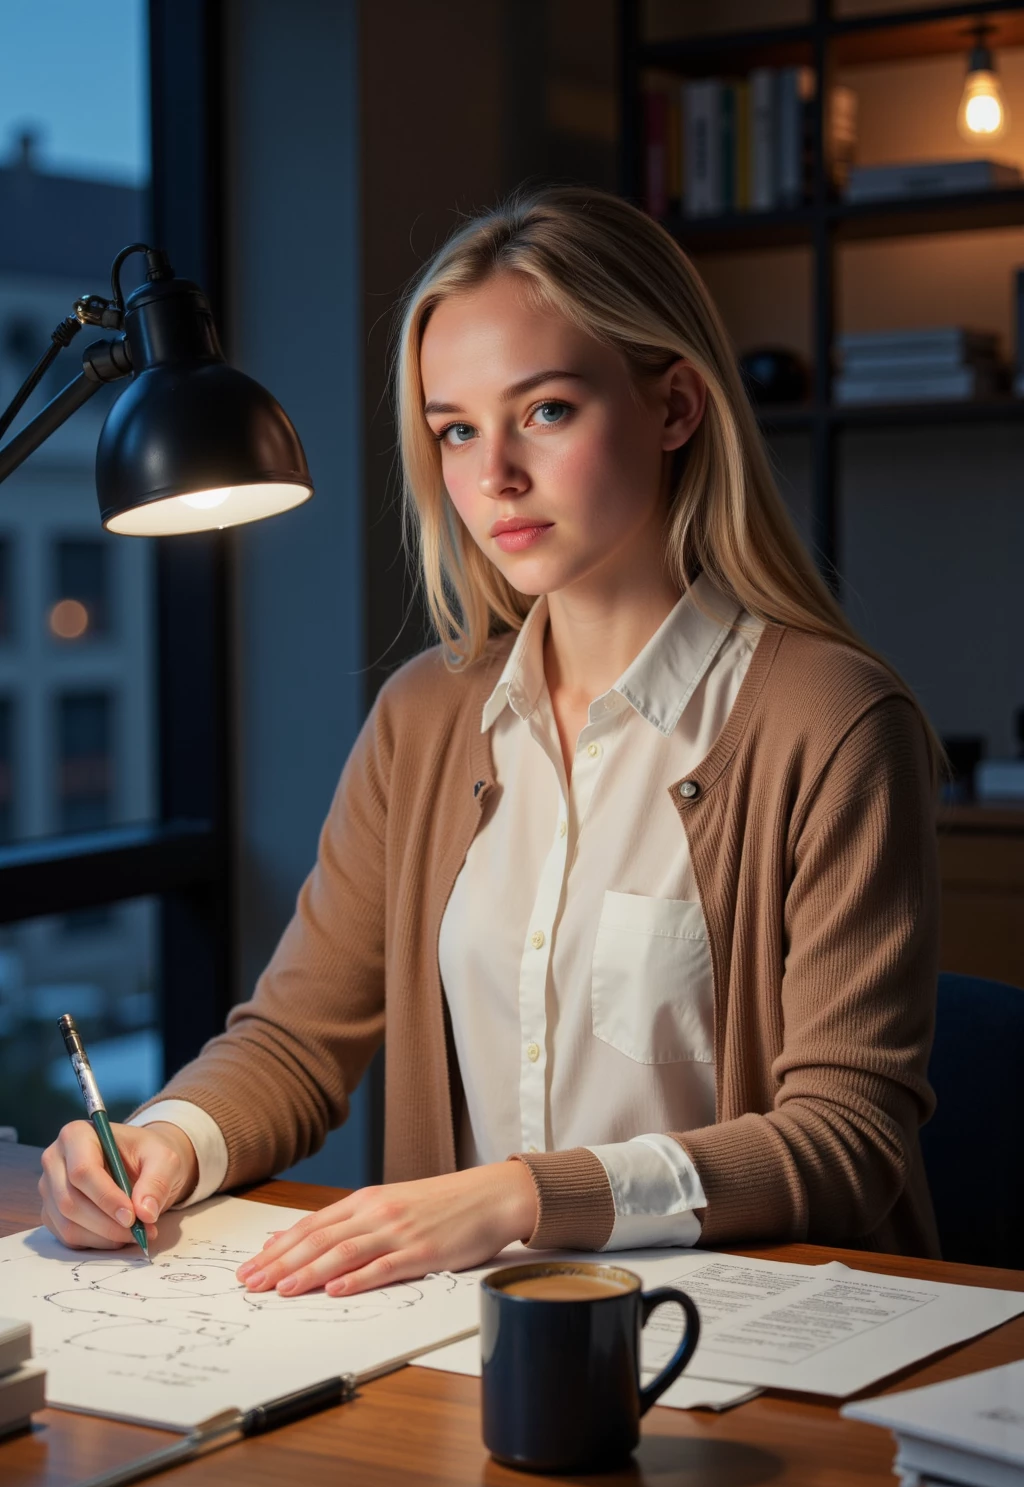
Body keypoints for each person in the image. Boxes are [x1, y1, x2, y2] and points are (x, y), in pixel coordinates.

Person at [39, 186, 942, 1299]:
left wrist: (520, 1193)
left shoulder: (831, 723)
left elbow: (847, 1141)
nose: (492, 476)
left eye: (546, 411)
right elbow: (295, 1039)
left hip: (759, 1351)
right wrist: (165, 1141)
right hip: (477, 1350)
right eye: (455, 429)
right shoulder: (425, 717)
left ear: (675, 408)